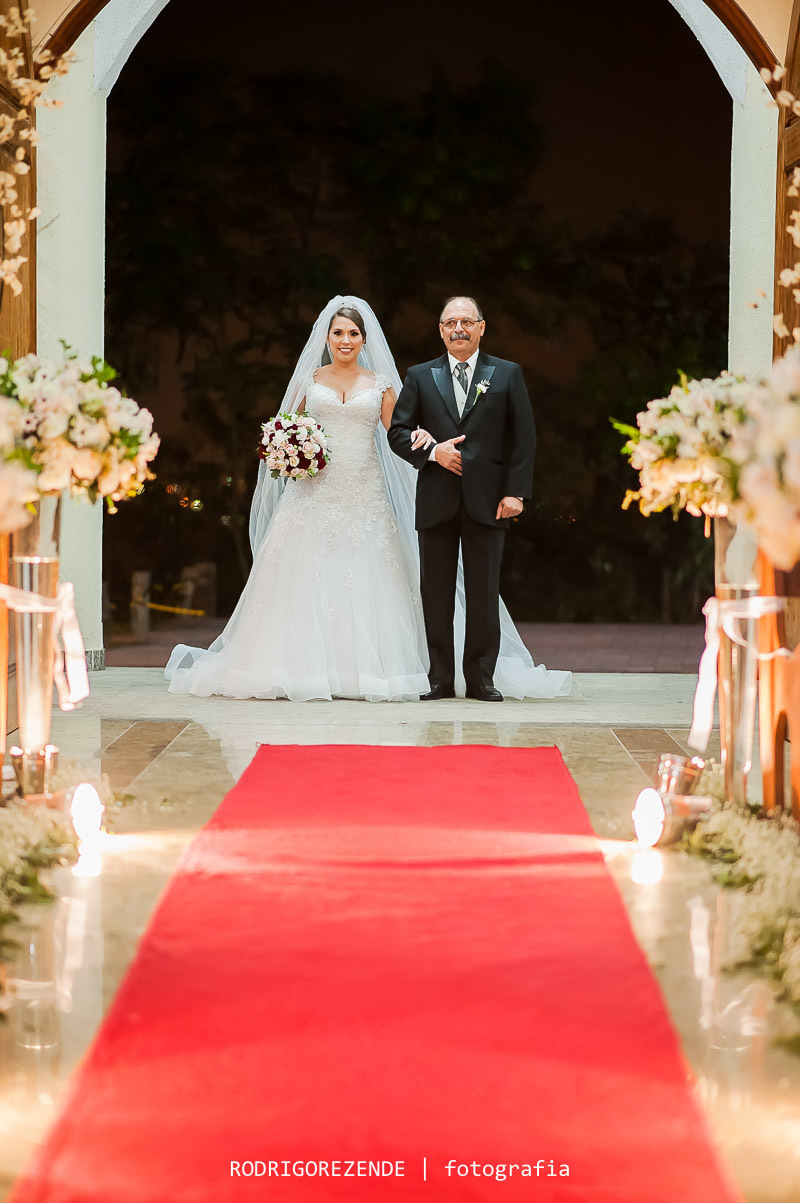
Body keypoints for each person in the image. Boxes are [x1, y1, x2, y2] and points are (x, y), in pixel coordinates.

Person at [165, 296, 571, 702]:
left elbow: (402, 431)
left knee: (379, 579)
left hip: (365, 491)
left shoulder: (383, 383)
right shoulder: (314, 379)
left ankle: (460, 677)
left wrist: (427, 443)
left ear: (364, 339)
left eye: (353, 333)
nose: (346, 340)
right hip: (313, 493)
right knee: (306, 579)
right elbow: (281, 430)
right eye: (338, 333)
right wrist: (291, 449)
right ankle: (312, 669)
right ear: (326, 337)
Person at [388, 296, 546, 701]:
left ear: (481, 327)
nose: (458, 329)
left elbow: (523, 437)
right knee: (435, 594)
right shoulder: (420, 376)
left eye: (466, 322)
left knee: (483, 592)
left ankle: (480, 679)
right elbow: (397, 432)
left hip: (489, 499)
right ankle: (440, 679)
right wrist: (431, 452)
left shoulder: (507, 374)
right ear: (440, 330)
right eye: (450, 323)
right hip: (437, 499)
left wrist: (516, 492)